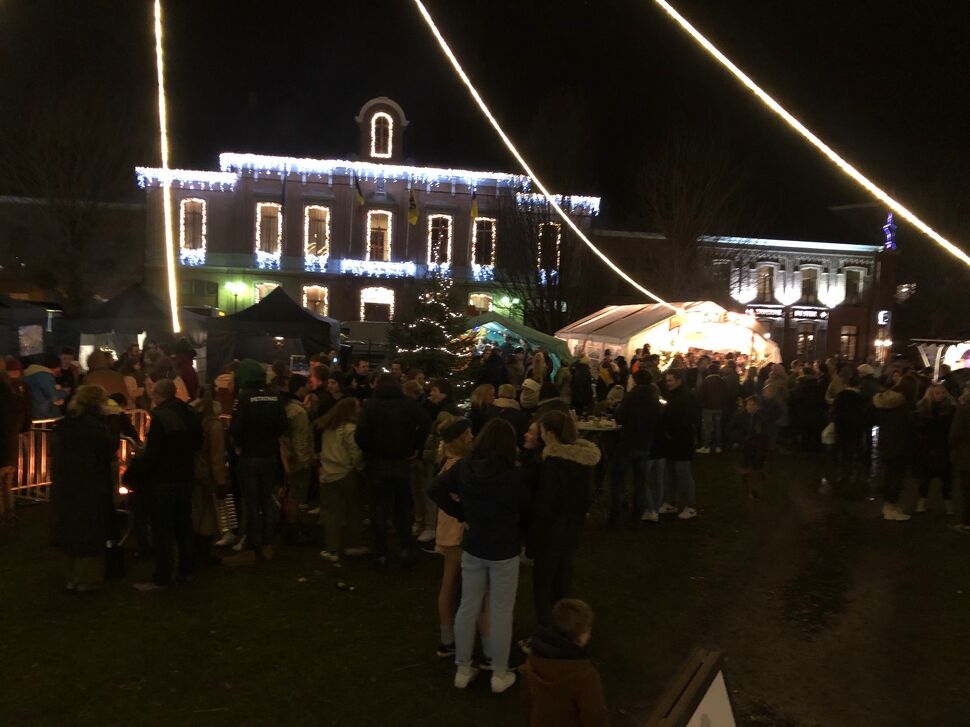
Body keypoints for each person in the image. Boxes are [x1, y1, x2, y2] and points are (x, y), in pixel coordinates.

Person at [430, 418, 531, 694]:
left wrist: (462, 513)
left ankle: (463, 667)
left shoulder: (465, 468)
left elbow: (435, 489)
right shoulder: (515, 475)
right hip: (503, 550)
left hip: (474, 546)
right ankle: (499, 672)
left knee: (468, 605)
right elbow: (526, 510)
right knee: (500, 609)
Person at [530, 411, 600, 627]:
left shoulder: (553, 464)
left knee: (544, 585)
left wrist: (534, 540)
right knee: (563, 580)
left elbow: (546, 505)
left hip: (552, 533)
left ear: (549, 434)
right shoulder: (582, 460)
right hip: (572, 530)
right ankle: (566, 627)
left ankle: (546, 631)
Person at [133, 378, 203, 590]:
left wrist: (141, 466)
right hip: (186, 476)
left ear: (156, 395)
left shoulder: (161, 417)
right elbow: (198, 443)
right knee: (183, 525)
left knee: (163, 529)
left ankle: (163, 576)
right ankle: (186, 570)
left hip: (164, 479)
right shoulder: (190, 413)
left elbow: (153, 453)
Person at [355, 373, 432, 567]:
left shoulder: (371, 405)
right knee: (402, 507)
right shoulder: (407, 404)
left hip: (378, 462)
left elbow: (360, 435)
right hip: (400, 461)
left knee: (378, 508)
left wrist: (370, 450)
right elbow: (425, 422)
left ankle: (381, 552)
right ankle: (406, 548)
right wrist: (415, 446)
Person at [49, 385, 117, 592]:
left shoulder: (64, 425)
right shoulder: (95, 427)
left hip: (65, 483)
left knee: (69, 527)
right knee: (89, 529)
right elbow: (107, 451)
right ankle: (86, 578)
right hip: (90, 482)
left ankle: (71, 576)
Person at [223, 359, 288, 566]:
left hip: (249, 456)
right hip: (270, 456)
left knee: (251, 503)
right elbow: (282, 425)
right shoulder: (275, 396)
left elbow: (235, 428)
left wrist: (240, 444)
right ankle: (268, 545)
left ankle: (251, 547)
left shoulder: (243, 398)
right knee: (267, 501)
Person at [520, 599, 608, 727]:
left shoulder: (534, 659)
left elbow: (526, 699)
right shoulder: (584, 674)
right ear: (580, 637)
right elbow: (594, 714)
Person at [432, 415, 475, 659]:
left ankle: (448, 636)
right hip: (457, 530)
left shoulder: (449, 462)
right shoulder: (458, 467)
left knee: (451, 582)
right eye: (468, 434)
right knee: (455, 583)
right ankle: (453, 637)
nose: (472, 437)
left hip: (449, 527)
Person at [608, 369, 661, 524]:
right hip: (645, 443)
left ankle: (615, 516)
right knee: (640, 482)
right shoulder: (654, 398)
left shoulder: (632, 397)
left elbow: (619, 418)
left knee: (618, 480)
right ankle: (637, 515)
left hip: (627, 442)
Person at [318, 397, 368, 562]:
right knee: (354, 509)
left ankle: (331, 548)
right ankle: (353, 544)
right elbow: (355, 452)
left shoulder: (328, 427)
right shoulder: (350, 429)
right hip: (346, 472)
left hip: (328, 472)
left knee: (332, 513)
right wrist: (360, 467)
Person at [873, 376, 918, 521]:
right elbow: (910, 426)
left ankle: (889, 505)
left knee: (889, 474)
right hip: (901, 444)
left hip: (886, 441)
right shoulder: (906, 405)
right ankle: (891, 507)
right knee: (896, 476)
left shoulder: (888, 402)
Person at [191, 386, 227, 567]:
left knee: (194, 511)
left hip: (191, 471)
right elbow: (217, 456)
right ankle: (203, 553)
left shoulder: (190, 418)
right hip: (206, 474)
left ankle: (192, 549)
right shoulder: (213, 424)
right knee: (206, 514)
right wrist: (220, 481)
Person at [658, 369, 699, 520]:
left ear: (679, 380)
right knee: (670, 471)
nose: (667, 383)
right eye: (667, 380)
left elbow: (685, 419)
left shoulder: (686, 397)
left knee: (683, 473)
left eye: (670, 380)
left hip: (682, 441)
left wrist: (669, 428)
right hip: (672, 440)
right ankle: (670, 502)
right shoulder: (675, 395)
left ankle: (690, 505)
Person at [280, 375, 316, 543]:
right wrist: (304, 461)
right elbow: (301, 439)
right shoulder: (298, 412)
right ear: (300, 388)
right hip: (296, 460)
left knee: (288, 493)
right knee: (295, 494)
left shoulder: (285, 407)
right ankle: (292, 527)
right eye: (307, 384)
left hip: (285, 457)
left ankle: (287, 523)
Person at [914, 383, 957, 515]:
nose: (940, 396)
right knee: (926, 477)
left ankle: (948, 505)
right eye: (937, 393)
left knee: (946, 478)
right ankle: (921, 503)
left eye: (942, 393)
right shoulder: (924, 410)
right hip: (929, 447)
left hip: (944, 447)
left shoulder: (950, 409)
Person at [830, 376, 868, 491]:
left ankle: (839, 469)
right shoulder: (861, 398)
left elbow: (834, 410)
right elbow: (863, 414)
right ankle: (849, 470)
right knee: (851, 449)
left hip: (841, 426)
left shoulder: (840, 395)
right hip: (855, 428)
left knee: (841, 446)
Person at [730, 396, 769, 499]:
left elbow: (764, 433)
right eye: (749, 404)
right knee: (744, 464)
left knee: (755, 467)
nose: (751, 407)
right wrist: (738, 440)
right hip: (743, 444)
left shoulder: (761, 418)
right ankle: (745, 481)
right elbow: (733, 428)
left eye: (754, 405)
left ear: (758, 407)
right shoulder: (739, 416)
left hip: (756, 446)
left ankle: (753, 488)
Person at [948, 384, 970, 533]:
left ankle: (967, 522)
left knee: (966, 489)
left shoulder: (964, 409)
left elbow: (954, 435)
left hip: (966, 455)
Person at [697, 363, 728, 454]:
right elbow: (725, 395)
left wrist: (701, 404)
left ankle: (706, 446)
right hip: (719, 408)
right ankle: (718, 446)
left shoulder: (706, 381)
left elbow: (701, 395)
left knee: (707, 428)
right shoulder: (722, 381)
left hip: (708, 408)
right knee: (718, 427)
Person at [23, 355, 65, 420]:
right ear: (55, 366)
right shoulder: (45, 376)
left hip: (33, 412)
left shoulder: (31, 374)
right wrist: (63, 392)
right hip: (44, 414)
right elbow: (54, 396)